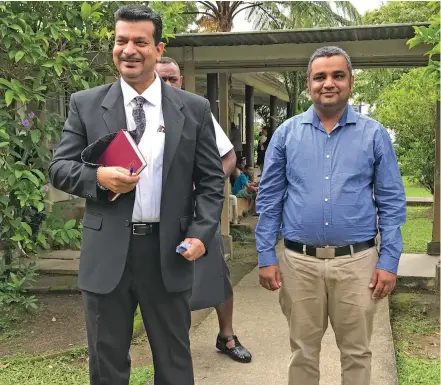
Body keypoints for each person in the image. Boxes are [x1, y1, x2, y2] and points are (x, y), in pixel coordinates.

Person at [49, 6, 225, 385]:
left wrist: (201, 231)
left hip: (168, 251)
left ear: (158, 49)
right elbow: (59, 168)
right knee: (106, 361)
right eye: (121, 41)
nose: (129, 49)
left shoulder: (193, 109)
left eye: (140, 42)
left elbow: (212, 181)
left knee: (175, 362)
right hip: (107, 251)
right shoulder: (87, 103)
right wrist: (99, 177)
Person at [255, 46, 406, 385]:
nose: (329, 83)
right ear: (309, 84)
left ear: (351, 81)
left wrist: (389, 261)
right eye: (320, 76)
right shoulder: (287, 134)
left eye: (338, 75)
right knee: (302, 352)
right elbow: (269, 198)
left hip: (358, 263)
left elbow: (392, 201)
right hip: (299, 263)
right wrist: (266, 254)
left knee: (356, 352)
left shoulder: (374, 134)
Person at [156, 56, 252, 363]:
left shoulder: (196, 111)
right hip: (156, 217)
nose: (167, 84)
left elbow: (228, 157)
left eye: (172, 78)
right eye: (161, 78)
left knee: (216, 276)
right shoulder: (139, 114)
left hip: (197, 213)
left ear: (181, 80)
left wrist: (203, 186)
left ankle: (226, 336)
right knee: (167, 280)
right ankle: (176, 344)